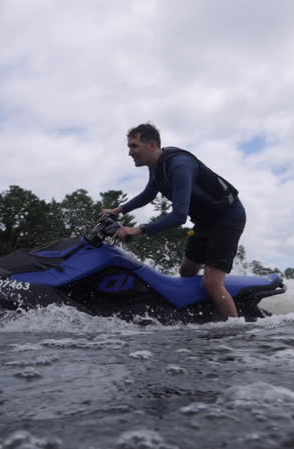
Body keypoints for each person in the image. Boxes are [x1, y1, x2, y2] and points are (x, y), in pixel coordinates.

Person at [102, 123, 246, 319]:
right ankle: (203, 312)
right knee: (186, 272)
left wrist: (138, 229)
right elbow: (148, 193)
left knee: (212, 283)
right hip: (205, 222)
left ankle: (234, 329)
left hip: (227, 218)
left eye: (134, 146)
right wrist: (118, 210)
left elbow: (179, 216)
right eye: (129, 147)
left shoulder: (179, 165)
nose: (130, 152)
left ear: (152, 145)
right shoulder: (156, 167)